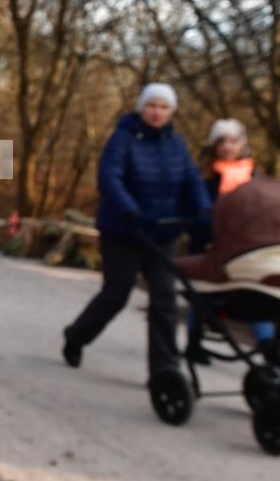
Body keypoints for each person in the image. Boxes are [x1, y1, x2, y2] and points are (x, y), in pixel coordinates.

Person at [61, 83, 211, 379]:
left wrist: (205, 212)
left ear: (171, 112)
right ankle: (77, 335)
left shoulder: (176, 144)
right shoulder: (123, 138)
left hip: (163, 233)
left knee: (164, 301)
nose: (157, 112)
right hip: (125, 232)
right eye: (152, 106)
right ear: (142, 108)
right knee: (116, 295)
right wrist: (130, 210)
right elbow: (110, 177)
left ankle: (164, 371)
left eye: (164, 107)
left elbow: (192, 180)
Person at [184, 119, 280, 370]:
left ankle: (269, 349)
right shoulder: (203, 181)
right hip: (211, 248)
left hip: (248, 248)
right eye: (222, 142)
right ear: (214, 146)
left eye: (233, 141)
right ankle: (193, 341)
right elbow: (196, 215)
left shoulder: (255, 179)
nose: (227, 147)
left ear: (242, 145)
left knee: (259, 290)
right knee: (201, 290)